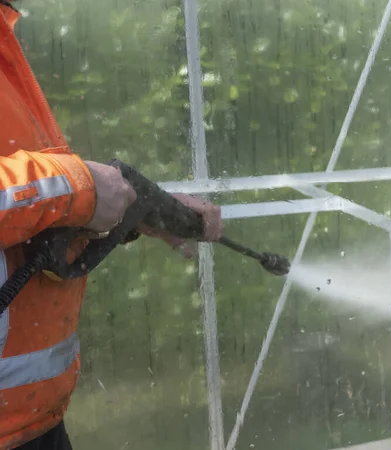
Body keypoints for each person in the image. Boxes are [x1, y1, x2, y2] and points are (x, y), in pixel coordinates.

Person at [0, 1, 223, 449]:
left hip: (30, 422)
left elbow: (29, 210)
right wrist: (77, 188)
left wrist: (136, 210)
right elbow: (52, 188)